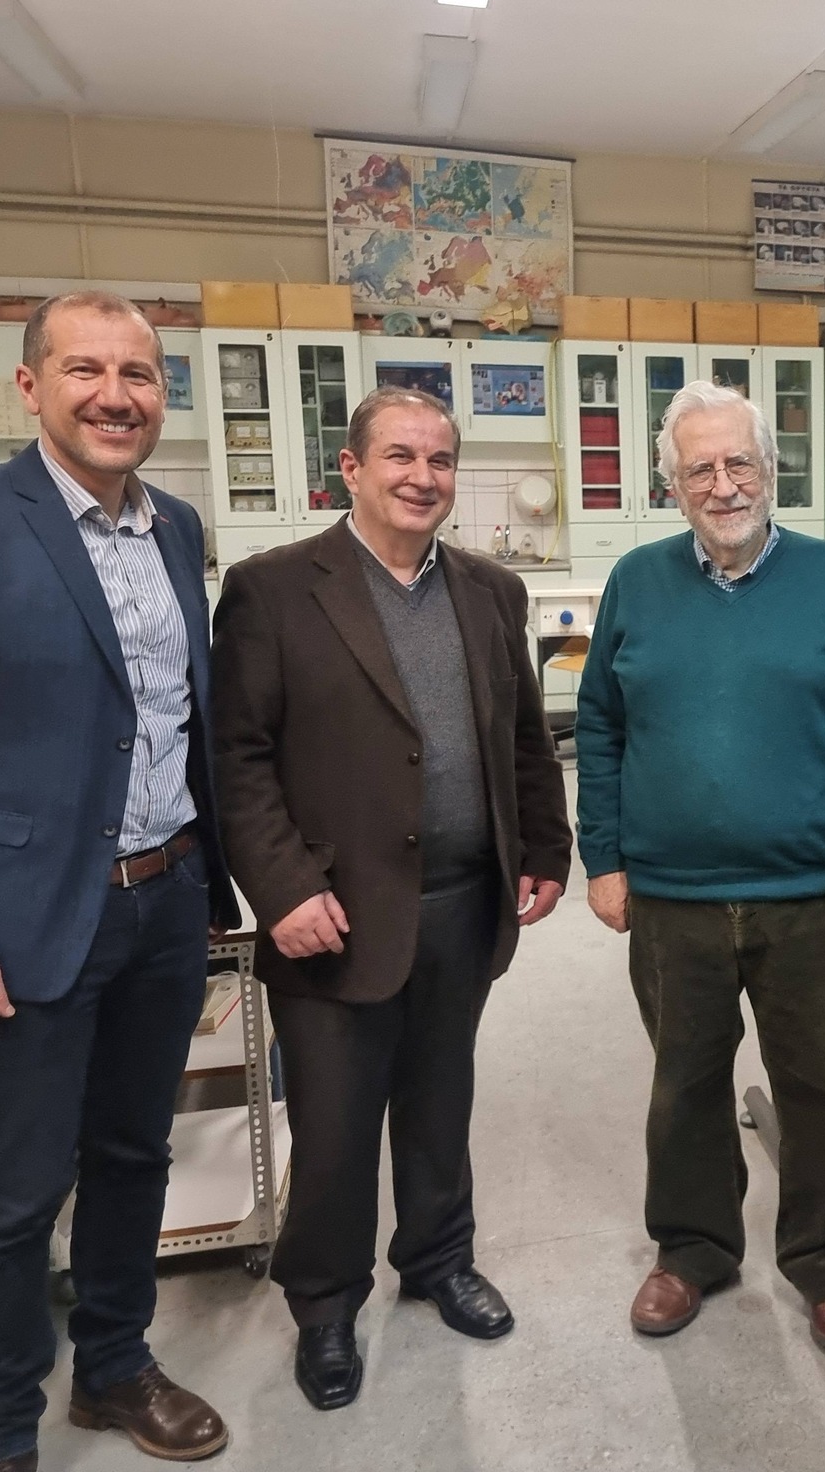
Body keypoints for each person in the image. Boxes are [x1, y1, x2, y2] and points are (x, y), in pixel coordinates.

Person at [0, 291, 239, 1471]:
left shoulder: (174, 527)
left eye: (139, 375)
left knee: (134, 1155)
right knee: (16, 1194)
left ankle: (114, 1369)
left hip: (164, 901)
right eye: (85, 370)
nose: (115, 396)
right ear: (28, 387)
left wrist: (212, 885)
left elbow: (174, 719)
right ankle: (0, 1433)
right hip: (21, 922)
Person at [211, 386, 571, 1411]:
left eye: (440, 460)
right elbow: (237, 756)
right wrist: (282, 888)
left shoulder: (491, 591)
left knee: (440, 1100)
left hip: (463, 898)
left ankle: (437, 1260)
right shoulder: (275, 590)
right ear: (352, 469)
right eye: (400, 457)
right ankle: (325, 1305)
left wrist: (544, 846)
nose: (422, 477)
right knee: (332, 1127)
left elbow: (522, 737)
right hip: (334, 912)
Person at [576, 380, 825, 1356]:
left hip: (810, 895)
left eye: (739, 463)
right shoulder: (636, 583)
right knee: (684, 1084)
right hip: (671, 898)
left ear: (770, 469)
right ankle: (693, 1248)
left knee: (820, 1085)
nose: (723, 485)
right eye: (700, 469)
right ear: (672, 485)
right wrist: (603, 857)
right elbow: (599, 727)